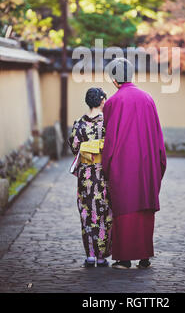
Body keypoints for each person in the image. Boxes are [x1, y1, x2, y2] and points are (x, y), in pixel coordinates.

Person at [102, 57, 167, 269]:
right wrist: (159, 165)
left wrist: (106, 168)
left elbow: (110, 140)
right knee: (143, 209)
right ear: (131, 75)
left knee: (124, 208)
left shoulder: (112, 103)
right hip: (147, 165)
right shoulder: (148, 99)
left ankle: (124, 259)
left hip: (123, 166)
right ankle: (144, 256)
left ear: (114, 79)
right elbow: (158, 137)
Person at [68, 87, 112, 268]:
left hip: (86, 175)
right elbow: (112, 146)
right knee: (103, 213)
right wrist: (99, 146)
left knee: (87, 213)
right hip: (103, 174)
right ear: (102, 100)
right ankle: (102, 257)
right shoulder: (107, 123)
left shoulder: (79, 124)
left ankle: (90, 255)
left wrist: (88, 147)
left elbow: (74, 146)